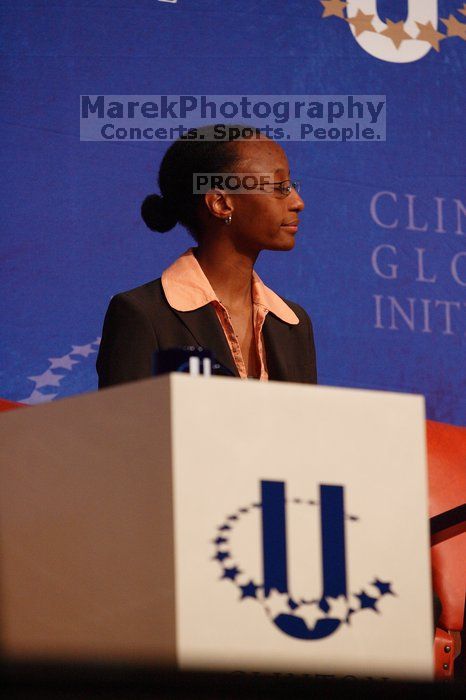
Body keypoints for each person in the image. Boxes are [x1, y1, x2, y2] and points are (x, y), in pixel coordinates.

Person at [96, 124, 317, 387]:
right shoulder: (143, 314)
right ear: (222, 203)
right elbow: (126, 424)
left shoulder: (293, 323)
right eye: (279, 186)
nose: (297, 201)